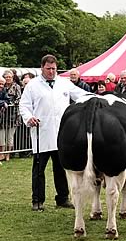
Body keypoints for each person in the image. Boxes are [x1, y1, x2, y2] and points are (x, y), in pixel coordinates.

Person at [19, 54, 90, 211]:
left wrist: (99, 99)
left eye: (54, 69)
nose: (51, 71)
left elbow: (81, 95)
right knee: (39, 169)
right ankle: (37, 200)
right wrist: (29, 117)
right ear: (42, 68)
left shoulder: (64, 83)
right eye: (48, 68)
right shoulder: (32, 85)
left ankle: (62, 198)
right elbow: (23, 105)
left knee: (61, 168)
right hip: (41, 132)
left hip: (61, 134)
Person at [0, 69, 22, 161]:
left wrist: (10, 104)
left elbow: (19, 98)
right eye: (6, 77)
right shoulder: (2, 86)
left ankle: (8, 154)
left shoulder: (16, 86)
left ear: (13, 78)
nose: (8, 78)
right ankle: (2, 154)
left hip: (13, 115)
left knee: (10, 137)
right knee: (2, 136)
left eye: (10, 77)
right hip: (2, 116)